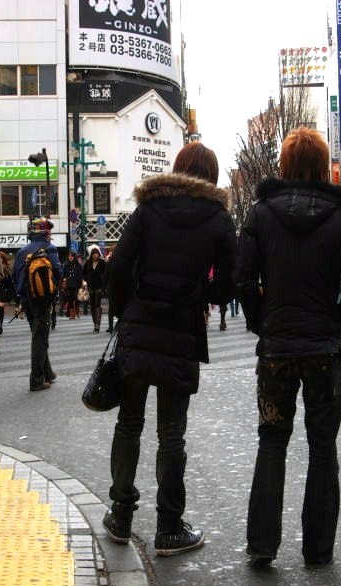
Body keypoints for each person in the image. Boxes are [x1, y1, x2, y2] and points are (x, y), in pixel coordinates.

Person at [235, 127, 341, 568]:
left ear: (284, 166)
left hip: (277, 346)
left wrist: (262, 323)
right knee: (322, 445)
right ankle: (318, 548)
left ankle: (262, 544)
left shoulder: (260, 214)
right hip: (322, 349)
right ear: (322, 166)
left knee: (271, 441)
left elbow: (242, 279)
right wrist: (337, 326)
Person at [103, 141, 236, 557]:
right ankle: (169, 526)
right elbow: (230, 281)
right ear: (211, 177)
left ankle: (121, 515)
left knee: (128, 422)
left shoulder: (148, 209)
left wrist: (129, 310)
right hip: (181, 332)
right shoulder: (217, 218)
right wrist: (201, 294)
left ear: (177, 169)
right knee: (171, 434)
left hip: (140, 328)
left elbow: (118, 268)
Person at [13, 217, 61, 390]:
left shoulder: (22, 252)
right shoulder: (50, 249)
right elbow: (57, 272)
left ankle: (48, 372)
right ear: (46, 232)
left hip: (28, 299)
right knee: (40, 339)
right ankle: (37, 380)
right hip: (43, 300)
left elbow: (15, 276)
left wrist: (20, 298)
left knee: (38, 334)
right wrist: (53, 294)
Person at [82, 246, 107, 333]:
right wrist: (86, 280)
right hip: (91, 287)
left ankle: (97, 325)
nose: (95, 255)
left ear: (99, 254)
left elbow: (106, 274)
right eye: (93, 254)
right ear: (91, 255)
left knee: (97, 304)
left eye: (96, 254)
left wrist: (104, 285)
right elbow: (83, 273)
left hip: (99, 287)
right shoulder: (88, 263)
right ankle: (95, 323)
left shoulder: (102, 263)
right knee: (92, 305)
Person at [62, 250, 84, 319]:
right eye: (69, 256)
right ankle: (72, 313)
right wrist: (64, 279)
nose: (70, 257)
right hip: (69, 284)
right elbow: (64, 274)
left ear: (74, 257)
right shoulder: (66, 265)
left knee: (76, 298)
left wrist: (80, 282)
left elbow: (80, 274)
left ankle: (77, 309)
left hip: (76, 283)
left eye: (71, 256)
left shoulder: (78, 265)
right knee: (70, 299)